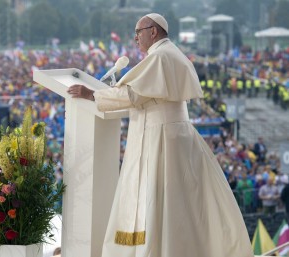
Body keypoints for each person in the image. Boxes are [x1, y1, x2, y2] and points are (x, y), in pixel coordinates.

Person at [67, 13, 253, 257]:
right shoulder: (169, 53)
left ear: (153, 31)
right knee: (177, 203)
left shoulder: (161, 56)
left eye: (138, 31)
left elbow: (133, 95)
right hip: (173, 135)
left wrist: (92, 94)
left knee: (160, 200)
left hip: (160, 138)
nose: (135, 38)